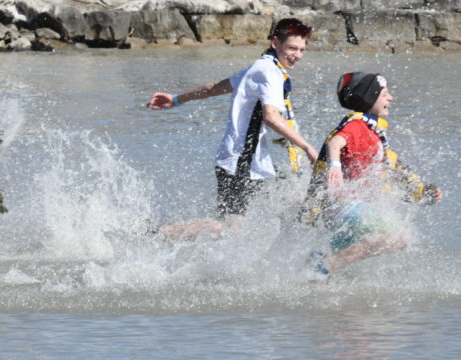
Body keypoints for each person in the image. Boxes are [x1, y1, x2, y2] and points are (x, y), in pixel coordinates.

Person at [146, 18, 319, 240]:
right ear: (275, 43)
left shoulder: (262, 66)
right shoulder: (268, 72)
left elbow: (215, 88)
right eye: (292, 48)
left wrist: (178, 99)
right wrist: (306, 146)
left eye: (302, 50)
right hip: (239, 162)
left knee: (282, 203)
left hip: (252, 163)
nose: (297, 55)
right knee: (229, 229)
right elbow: (271, 117)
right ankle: (156, 235)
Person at [301, 72, 442, 278]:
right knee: (398, 238)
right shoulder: (357, 125)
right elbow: (335, 143)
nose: (390, 98)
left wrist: (425, 193)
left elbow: (391, 170)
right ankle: (326, 264)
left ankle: (314, 270)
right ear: (369, 97)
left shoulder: (372, 130)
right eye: (384, 94)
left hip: (342, 209)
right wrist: (334, 165)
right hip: (345, 205)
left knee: (340, 261)